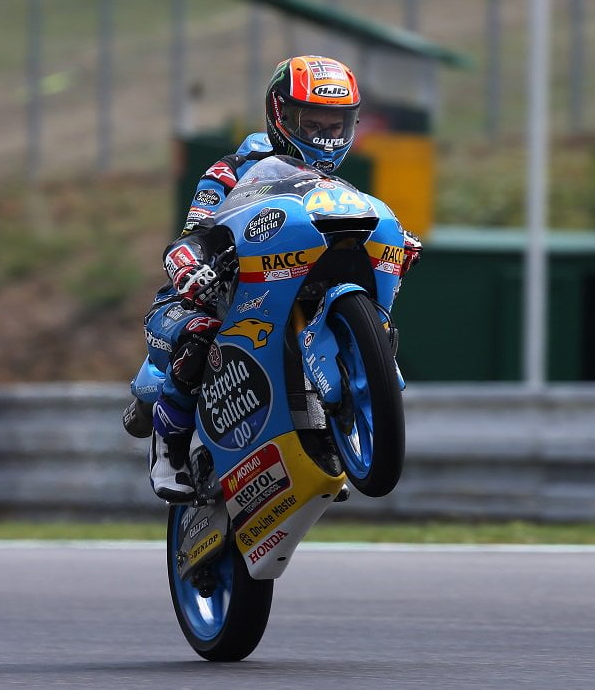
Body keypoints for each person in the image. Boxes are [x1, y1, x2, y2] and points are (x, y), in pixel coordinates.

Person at [122, 55, 423, 502]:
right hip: (204, 298)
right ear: (281, 115)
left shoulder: (334, 185)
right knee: (200, 331)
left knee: (374, 331)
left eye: (336, 125)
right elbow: (193, 232)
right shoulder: (232, 168)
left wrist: (402, 243)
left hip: (292, 288)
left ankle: (320, 441)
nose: (324, 135)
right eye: (312, 122)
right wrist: (191, 263)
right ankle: (169, 449)